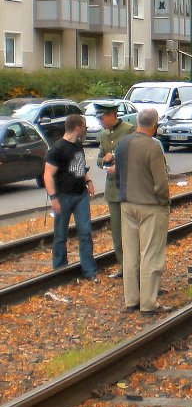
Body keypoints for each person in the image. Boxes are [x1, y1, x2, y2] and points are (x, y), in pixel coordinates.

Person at [115, 108, 171, 313]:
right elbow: (161, 182)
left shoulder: (123, 143)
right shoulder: (152, 147)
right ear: (155, 124)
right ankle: (148, 303)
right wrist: (163, 201)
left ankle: (131, 300)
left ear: (138, 122)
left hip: (127, 203)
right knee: (150, 255)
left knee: (130, 254)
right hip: (150, 205)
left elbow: (117, 175)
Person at [43, 114, 97, 281]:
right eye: (84, 126)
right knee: (60, 235)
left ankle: (89, 271)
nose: (85, 130)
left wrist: (88, 181)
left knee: (85, 232)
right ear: (78, 127)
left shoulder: (78, 146)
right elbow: (48, 175)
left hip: (80, 195)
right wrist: (53, 198)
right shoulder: (57, 149)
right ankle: (59, 270)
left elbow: (80, 167)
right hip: (63, 196)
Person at [95, 101, 135, 278]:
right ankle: (123, 266)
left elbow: (133, 157)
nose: (100, 121)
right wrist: (104, 159)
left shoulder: (129, 130)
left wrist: (117, 166)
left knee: (131, 231)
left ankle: (134, 267)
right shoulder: (104, 135)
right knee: (117, 232)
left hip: (128, 188)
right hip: (112, 189)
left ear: (112, 115)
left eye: (102, 117)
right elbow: (98, 159)